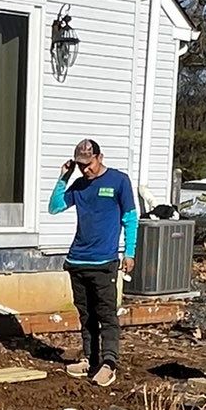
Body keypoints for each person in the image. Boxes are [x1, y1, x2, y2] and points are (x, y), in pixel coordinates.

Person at [48, 136, 138, 384]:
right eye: (80, 165)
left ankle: (109, 363)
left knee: (107, 314)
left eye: (88, 164)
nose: (85, 169)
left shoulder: (118, 181)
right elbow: (54, 207)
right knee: (86, 316)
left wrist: (129, 252)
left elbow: (130, 218)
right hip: (77, 261)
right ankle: (90, 358)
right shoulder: (78, 186)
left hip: (104, 262)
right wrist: (64, 177)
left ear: (100, 158)